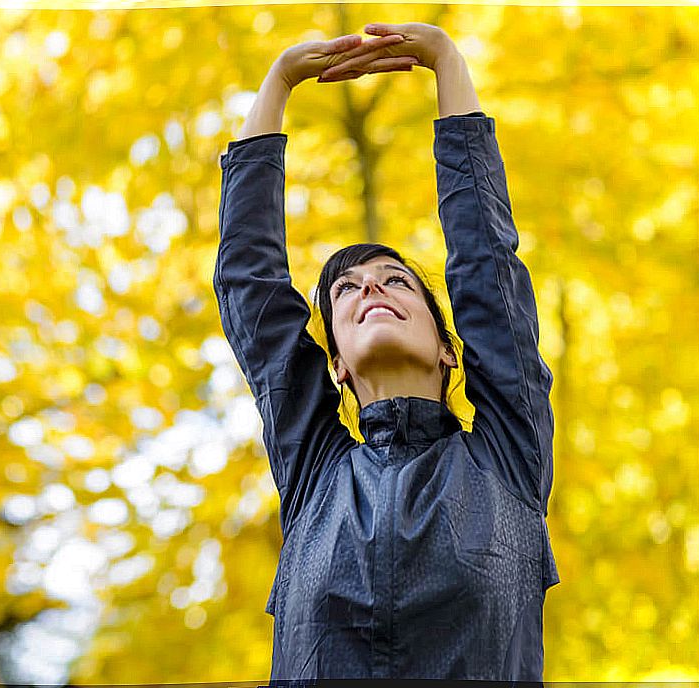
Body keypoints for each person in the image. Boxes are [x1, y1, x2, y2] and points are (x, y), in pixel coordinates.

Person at [213, 22, 561, 681]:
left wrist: (445, 61)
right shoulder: (314, 474)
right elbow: (249, 288)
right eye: (345, 290)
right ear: (335, 363)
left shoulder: (508, 457)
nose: (371, 286)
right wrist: (279, 82)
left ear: (450, 352)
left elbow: (487, 265)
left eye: (396, 280)